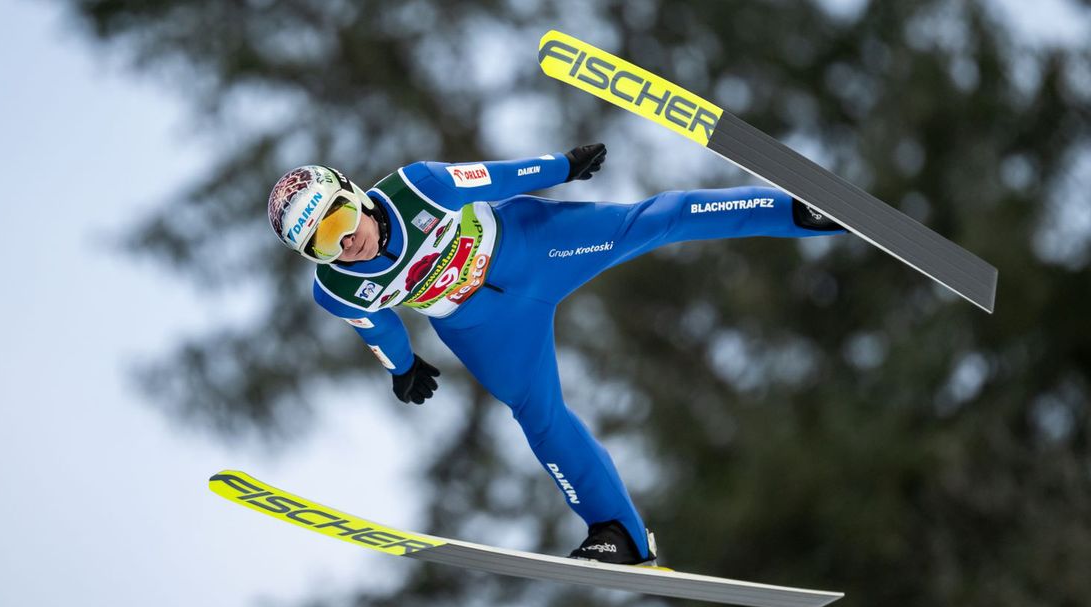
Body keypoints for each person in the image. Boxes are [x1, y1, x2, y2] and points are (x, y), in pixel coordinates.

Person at [266, 145, 843, 566]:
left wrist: (561, 167)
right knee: (540, 418)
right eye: (320, 243)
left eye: (340, 221)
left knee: (656, 220)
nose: (345, 244)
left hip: (533, 246)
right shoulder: (336, 288)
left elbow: (495, 177)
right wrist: (403, 368)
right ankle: (619, 534)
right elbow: (379, 327)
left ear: (353, 194)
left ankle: (795, 209)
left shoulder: (418, 187)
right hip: (483, 326)